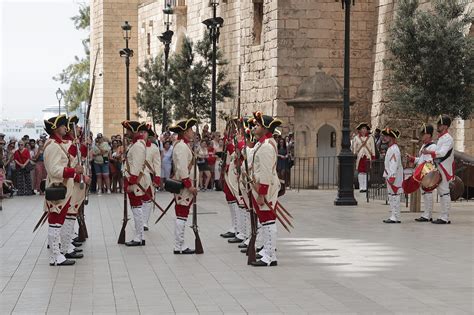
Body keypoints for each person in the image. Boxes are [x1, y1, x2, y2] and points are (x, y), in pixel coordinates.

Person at [43, 114, 83, 266]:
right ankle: (55, 257)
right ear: (55, 129)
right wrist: (73, 172)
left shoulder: (57, 144)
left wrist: (75, 149)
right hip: (57, 187)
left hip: (64, 188)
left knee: (58, 222)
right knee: (55, 222)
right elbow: (54, 170)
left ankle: (58, 255)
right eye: (62, 125)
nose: (65, 128)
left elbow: (67, 160)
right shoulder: (52, 145)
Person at [249, 111, 282, 267]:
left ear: (266, 128)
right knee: (264, 220)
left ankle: (270, 255)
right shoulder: (262, 144)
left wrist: (262, 193)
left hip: (265, 189)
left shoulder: (267, 147)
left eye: (258, 125)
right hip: (259, 187)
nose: (255, 127)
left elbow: (266, 172)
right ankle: (266, 251)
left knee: (268, 220)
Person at [169, 118, 199, 254]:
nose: (192, 132)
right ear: (185, 132)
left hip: (185, 186)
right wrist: (189, 185)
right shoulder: (181, 146)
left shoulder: (183, 145)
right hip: (184, 187)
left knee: (182, 214)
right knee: (182, 214)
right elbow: (182, 169)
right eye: (191, 130)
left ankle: (179, 244)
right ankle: (179, 245)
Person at [61, 115, 87, 260]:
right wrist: (81, 177)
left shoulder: (71, 142)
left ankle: (68, 244)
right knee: (68, 215)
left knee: (71, 214)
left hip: (75, 182)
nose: (78, 128)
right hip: (70, 182)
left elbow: (79, 158)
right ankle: (65, 246)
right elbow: (68, 166)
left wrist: (83, 146)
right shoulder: (66, 144)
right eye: (75, 127)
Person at [122, 120, 151, 246]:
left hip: (135, 182)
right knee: (136, 208)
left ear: (134, 131)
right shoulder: (135, 144)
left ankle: (139, 237)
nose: (126, 132)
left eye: (128, 130)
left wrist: (132, 183)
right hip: (132, 180)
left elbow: (137, 165)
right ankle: (139, 236)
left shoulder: (138, 145)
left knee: (136, 208)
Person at [422, 115, 454, 224]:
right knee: (441, 192)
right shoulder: (441, 138)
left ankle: (445, 217)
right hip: (439, 167)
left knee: (444, 192)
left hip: (444, 167)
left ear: (445, 126)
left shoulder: (448, 138)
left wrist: (429, 152)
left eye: (440, 125)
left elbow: (442, 153)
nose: (438, 126)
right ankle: (442, 215)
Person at [406, 124, 437, 222]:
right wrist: (413, 159)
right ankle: (426, 214)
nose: (422, 136)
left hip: (427, 173)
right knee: (425, 194)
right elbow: (421, 160)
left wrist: (424, 175)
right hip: (423, 172)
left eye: (424, 134)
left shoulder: (433, 147)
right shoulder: (424, 146)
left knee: (428, 194)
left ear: (429, 135)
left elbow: (429, 163)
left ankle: (428, 215)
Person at [382, 128, 403, 224]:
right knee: (391, 195)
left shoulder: (394, 149)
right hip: (389, 174)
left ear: (392, 138)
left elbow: (393, 163)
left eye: (387, 136)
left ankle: (395, 216)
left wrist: (392, 176)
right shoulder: (391, 148)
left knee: (395, 195)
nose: (384, 138)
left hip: (393, 175)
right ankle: (394, 215)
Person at [142, 126, 161, 231]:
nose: (142, 134)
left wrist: (157, 177)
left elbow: (157, 164)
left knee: (148, 199)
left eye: (144, 132)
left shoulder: (153, 148)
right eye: (141, 132)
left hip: (148, 177)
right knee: (137, 200)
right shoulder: (133, 146)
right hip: (136, 177)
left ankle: (144, 222)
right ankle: (139, 220)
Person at [352, 123, 376, 193]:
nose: (364, 130)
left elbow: (373, 148)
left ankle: (365, 187)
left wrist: (373, 157)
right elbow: (354, 148)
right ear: (360, 130)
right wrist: (354, 155)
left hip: (367, 157)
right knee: (360, 172)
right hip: (360, 157)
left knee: (366, 172)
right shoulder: (356, 138)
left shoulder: (370, 138)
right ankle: (361, 187)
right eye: (362, 128)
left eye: (365, 128)